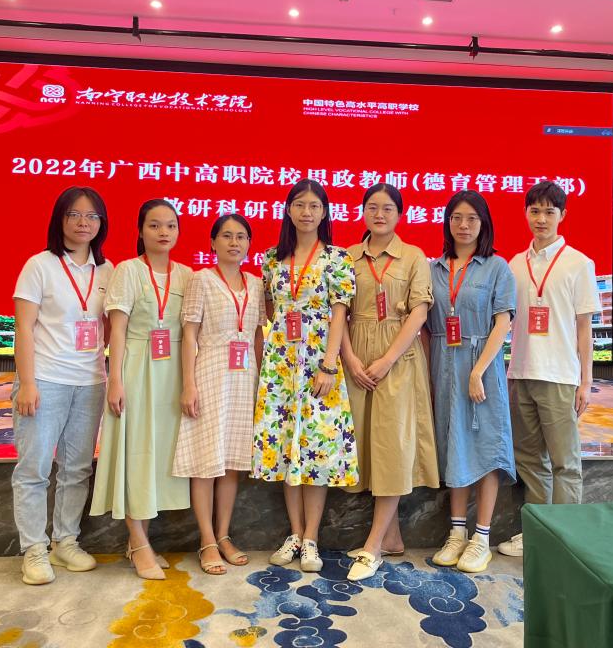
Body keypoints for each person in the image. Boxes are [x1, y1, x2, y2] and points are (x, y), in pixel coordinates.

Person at [252, 179, 358, 573]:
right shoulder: (271, 259)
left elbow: (339, 314)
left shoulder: (337, 258)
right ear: (288, 210)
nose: (307, 212)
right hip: (281, 367)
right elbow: (270, 309)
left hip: (319, 364)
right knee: (286, 447)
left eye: (314, 205)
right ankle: (294, 535)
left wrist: (329, 364)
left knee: (316, 448)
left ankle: (312, 538)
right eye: (299, 204)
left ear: (325, 212)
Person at [11, 186, 113, 586]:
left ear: (101, 223)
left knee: (77, 468)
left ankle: (65, 541)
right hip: (46, 379)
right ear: (60, 219)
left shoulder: (108, 271)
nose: (83, 222)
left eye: (92, 216)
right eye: (74, 214)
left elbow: (112, 328)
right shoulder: (39, 265)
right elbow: (23, 327)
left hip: (90, 382)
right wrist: (27, 383)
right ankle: (34, 549)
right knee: (34, 468)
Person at [340, 184, 439, 582]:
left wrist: (386, 360)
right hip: (356, 358)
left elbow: (419, 314)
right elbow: (338, 313)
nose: (379, 214)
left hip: (397, 359)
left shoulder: (413, 256)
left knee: (392, 447)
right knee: (369, 447)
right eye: (372, 207)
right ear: (363, 212)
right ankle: (392, 537)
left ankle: (373, 545)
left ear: (400, 214)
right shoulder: (347, 256)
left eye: (387, 208)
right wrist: (350, 358)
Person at [498, 180, 602, 559]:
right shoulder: (514, 264)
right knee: (530, 461)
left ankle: (565, 540)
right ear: (526, 214)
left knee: (565, 463)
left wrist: (586, 382)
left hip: (559, 376)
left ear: (563, 215)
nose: (541, 219)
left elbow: (584, 329)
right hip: (520, 374)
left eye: (549, 212)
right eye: (534, 211)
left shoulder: (579, 264)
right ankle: (537, 534)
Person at [90, 199, 191, 579]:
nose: (163, 232)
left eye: (170, 225)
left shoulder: (187, 275)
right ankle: (138, 540)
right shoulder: (128, 271)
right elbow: (116, 330)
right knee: (135, 451)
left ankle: (139, 542)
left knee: (156, 455)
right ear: (140, 230)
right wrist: (115, 379)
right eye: (154, 225)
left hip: (172, 374)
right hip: (137, 367)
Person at [427, 190, 516, 574]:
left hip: (481, 365)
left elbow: (503, 323)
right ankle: (457, 532)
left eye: (472, 219)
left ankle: (481, 537)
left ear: (484, 224)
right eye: (456, 218)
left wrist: (477, 371)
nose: (463, 225)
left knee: (485, 445)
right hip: (442, 363)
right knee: (454, 444)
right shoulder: (433, 268)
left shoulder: (497, 267)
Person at [173, 214, 266, 575]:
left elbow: (256, 336)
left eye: (241, 236)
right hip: (210, 373)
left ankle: (224, 535)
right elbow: (189, 335)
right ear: (212, 242)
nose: (234, 242)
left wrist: (262, 383)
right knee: (206, 460)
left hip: (245, 378)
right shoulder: (202, 279)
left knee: (231, 462)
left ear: (249, 244)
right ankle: (207, 540)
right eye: (226, 236)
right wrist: (188, 383)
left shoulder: (256, 284)